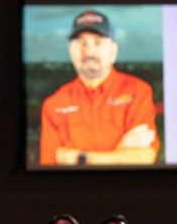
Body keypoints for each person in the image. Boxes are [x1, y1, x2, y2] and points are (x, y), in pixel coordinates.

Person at [40, 10, 158, 166]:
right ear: (70, 51)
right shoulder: (54, 104)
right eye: (81, 43)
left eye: (98, 42)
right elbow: (49, 165)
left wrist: (79, 158)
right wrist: (120, 153)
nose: (88, 51)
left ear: (113, 51)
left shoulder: (138, 91)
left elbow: (145, 157)